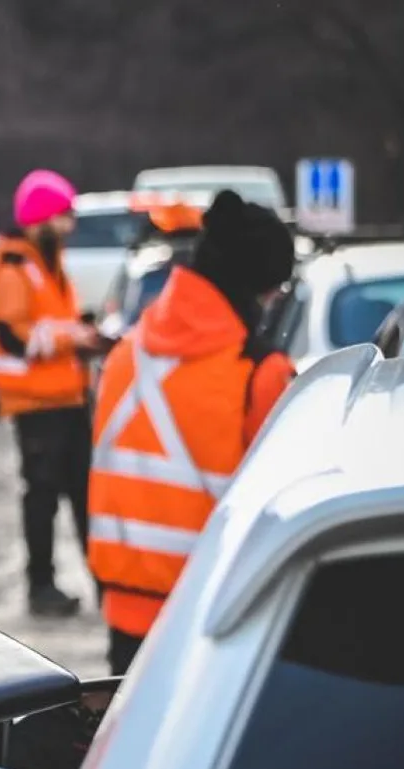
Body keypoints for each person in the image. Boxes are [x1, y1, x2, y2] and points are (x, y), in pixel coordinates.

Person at [88, 189, 297, 675]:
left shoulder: (125, 357)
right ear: (259, 288)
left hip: (124, 610)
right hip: (215, 614)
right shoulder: (259, 373)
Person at [0, 169, 102, 618]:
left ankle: (100, 581)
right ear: (40, 219)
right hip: (37, 404)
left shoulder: (42, 262)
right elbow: (15, 338)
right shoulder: (14, 266)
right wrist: (76, 338)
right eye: (63, 216)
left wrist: (78, 332)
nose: (69, 226)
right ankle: (41, 586)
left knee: (82, 495)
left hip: (65, 399)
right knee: (44, 496)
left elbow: (47, 324)